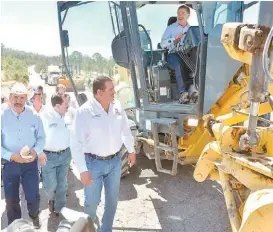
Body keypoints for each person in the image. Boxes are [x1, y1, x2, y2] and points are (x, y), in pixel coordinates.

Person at [70, 76, 136, 232]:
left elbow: (125, 130)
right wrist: (82, 170)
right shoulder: (84, 112)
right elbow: (75, 144)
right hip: (93, 164)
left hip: (115, 162)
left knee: (112, 201)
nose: (115, 92)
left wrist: (131, 150)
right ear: (99, 92)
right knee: (92, 203)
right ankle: (89, 228)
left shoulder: (117, 106)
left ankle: (106, 229)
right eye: (111, 89)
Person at [1, 82, 45, 228]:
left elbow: (41, 137)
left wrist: (35, 150)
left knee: (33, 196)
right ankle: (15, 226)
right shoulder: (2, 116)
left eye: (22, 97)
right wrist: (11, 155)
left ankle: (34, 215)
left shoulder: (34, 115)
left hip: (30, 164)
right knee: (11, 199)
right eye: (15, 97)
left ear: (26, 98)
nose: (18, 101)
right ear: (10, 98)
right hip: (10, 164)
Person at [40, 93, 71, 216]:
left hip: (65, 155)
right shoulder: (45, 117)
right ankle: (51, 198)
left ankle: (60, 209)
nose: (68, 106)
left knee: (62, 184)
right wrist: (40, 152)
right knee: (51, 185)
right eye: (66, 105)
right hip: (49, 157)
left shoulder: (68, 115)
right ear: (57, 106)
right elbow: (38, 136)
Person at [161, 4, 191, 103]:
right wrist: (174, 39)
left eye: (182, 13)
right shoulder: (171, 28)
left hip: (187, 53)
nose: (180, 15)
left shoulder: (191, 29)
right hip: (173, 54)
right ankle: (183, 93)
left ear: (188, 15)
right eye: (178, 13)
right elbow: (162, 44)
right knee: (178, 64)